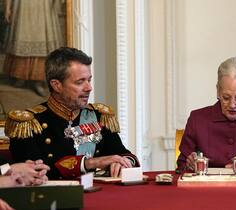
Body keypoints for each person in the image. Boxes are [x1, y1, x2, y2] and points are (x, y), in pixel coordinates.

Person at [5, 47, 140, 180]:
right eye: (80, 82)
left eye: (89, 80)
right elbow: (32, 173)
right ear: (56, 85)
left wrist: (122, 162)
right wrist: (89, 163)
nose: (89, 88)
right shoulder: (29, 124)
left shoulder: (98, 116)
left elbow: (124, 154)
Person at [3, 0, 65, 96]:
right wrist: (7, 8)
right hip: (22, 6)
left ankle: (38, 81)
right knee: (22, 33)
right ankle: (21, 76)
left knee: (41, 35)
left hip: (42, 6)